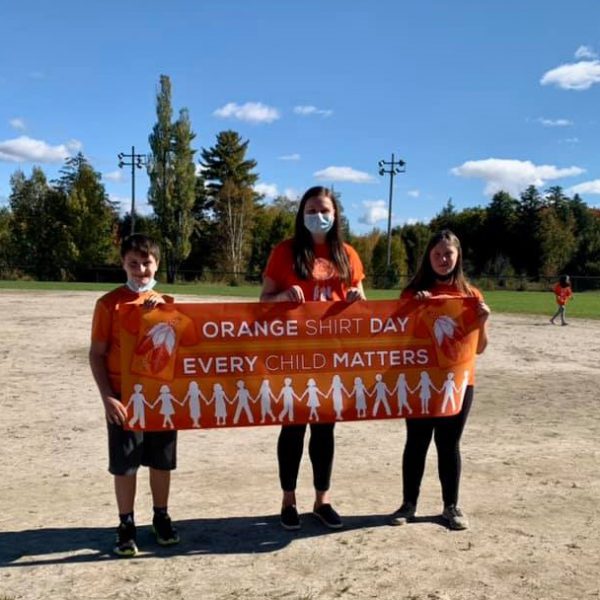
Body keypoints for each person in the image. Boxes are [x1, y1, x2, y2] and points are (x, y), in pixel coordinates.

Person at [260, 186, 366, 531]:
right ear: (300, 214)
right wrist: (281, 297)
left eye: (323, 209)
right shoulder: (285, 252)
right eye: (310, 209)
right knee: (292, 427)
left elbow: (363, 303)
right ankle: (288, 500)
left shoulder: (347, 254)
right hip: (292, 353)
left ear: (335, 215)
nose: (317, 215)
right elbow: (263, 300)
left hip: (331, 356)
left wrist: (355, 298)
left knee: (324, 429)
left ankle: (323, 499)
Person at [390, 229, 490, 530]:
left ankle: (451, 506)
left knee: (449, 444)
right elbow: (397, 338)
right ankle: (408, 504)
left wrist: (483, 322)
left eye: (448, 253)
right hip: (420, 381)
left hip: (457, 381)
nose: (443, 259)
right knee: (417, 442)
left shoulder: (471, 296)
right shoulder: (412, 293)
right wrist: (413, 310)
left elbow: (480, 348)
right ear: (428, 257)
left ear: (458, 256)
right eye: (437, 254)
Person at [89, 234, 180, 557]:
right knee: (125, 465)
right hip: (124, 399)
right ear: (123, 264)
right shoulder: (109, 304)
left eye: (147, 263)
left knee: (161, 462)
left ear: (157, 264)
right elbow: (97, 353)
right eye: (133, 263)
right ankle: (126, 523)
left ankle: (161, 515)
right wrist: (107, 397)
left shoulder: (168, 303)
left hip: (159, 397)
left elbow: (192, 344)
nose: (141, 270)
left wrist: (164, 311)